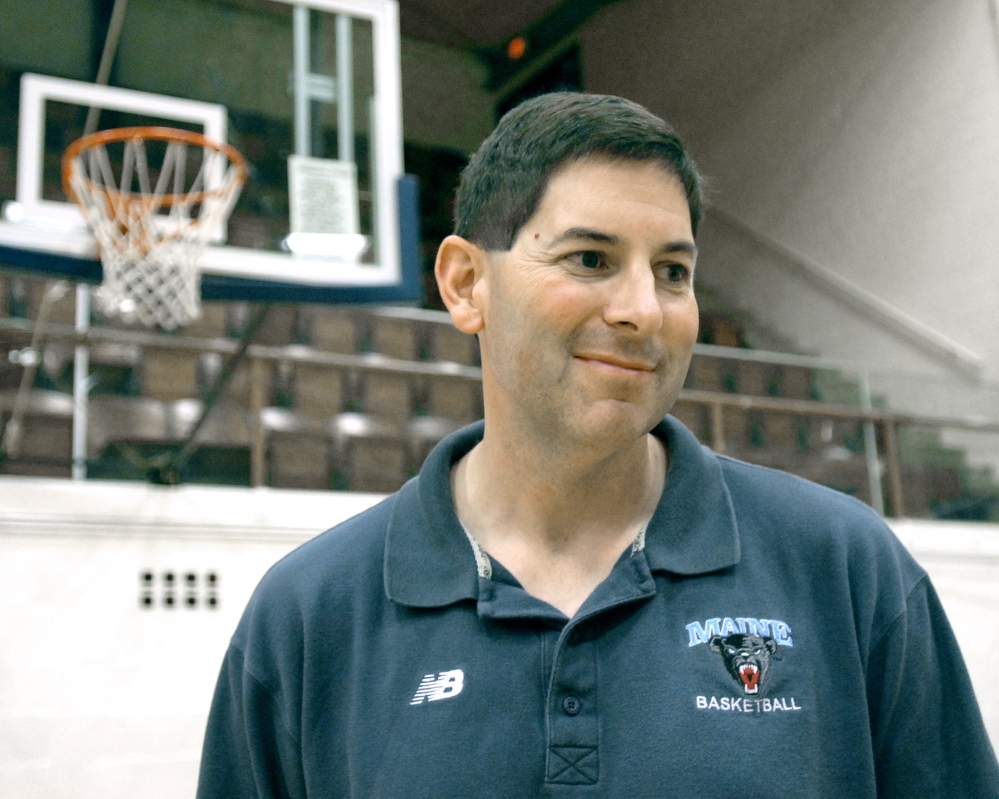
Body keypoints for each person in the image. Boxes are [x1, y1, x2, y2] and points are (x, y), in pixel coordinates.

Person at [197, 93, 999, 798]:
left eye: (674, 271)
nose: (644, 310)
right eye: (590, 259)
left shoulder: (844, 566)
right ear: (465, 284)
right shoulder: (308, 614)